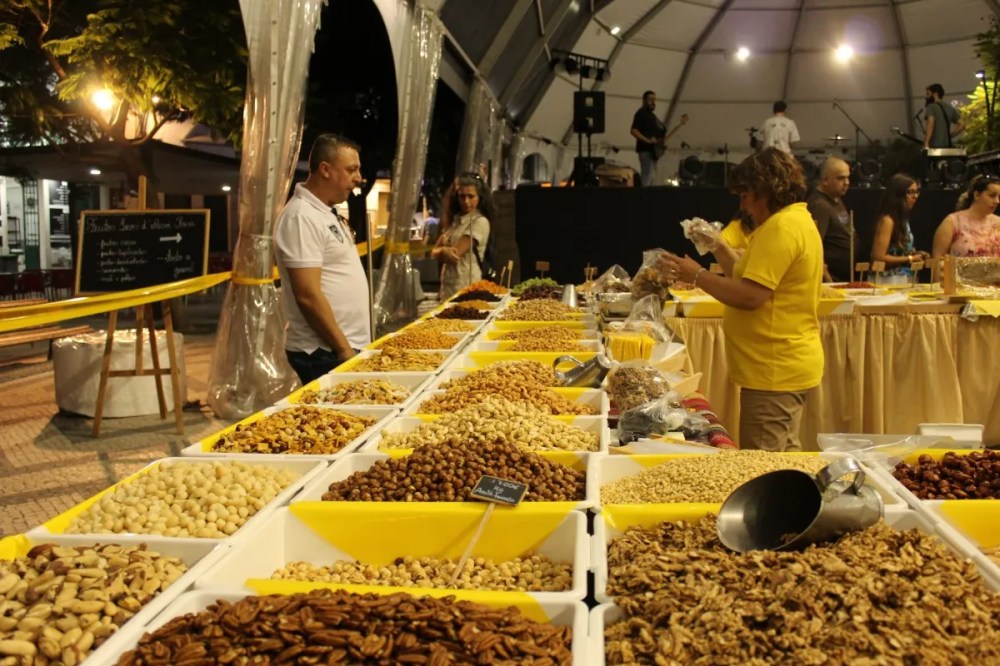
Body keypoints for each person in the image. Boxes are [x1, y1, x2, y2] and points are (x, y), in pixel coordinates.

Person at [661, 148, 823, 452]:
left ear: (765, 189)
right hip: (783, 367)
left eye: (745, 195)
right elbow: (746, 274)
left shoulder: (781, 227)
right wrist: (718, 247)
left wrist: (696, 275)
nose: (743, 205)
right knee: (784, 461)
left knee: (765, 469)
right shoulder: (795, 220)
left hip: (773, 371)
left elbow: (751, 296)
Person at [274, 133, 370, 384]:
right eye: (351, 170)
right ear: (325, 169)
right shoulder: (301, 217)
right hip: (323, 352)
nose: (358, 178)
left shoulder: (326, 212)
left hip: (342, 347)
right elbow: (307, 294)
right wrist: (343, 350)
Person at [431, 174, 494, 299]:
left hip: (467, 288)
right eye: (462, 196)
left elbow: (454, 254)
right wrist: (442, 251)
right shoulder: (454, 222)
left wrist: (442, 251)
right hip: (447, 288)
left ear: (480, 198)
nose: (466, 202)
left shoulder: (480, 222)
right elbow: (433, 252)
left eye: (471, 196)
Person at [871, 174, 930, 276]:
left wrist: (916, 254)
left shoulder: (903, 219)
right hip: (888, 281)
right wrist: (910, 259)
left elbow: (898, 252)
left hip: (904, 278)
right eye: (911, 192)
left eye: (917, 192)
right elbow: (878, 256)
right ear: (898, 195)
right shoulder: (888, 220)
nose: (915, 196)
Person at [806, 157, 855, 282]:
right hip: (832, 278)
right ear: (825, 180)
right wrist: (826, 277)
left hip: (845, 276)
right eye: (841, 178)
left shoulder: (835, 198)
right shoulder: (819, 205)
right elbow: (815, 244)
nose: (847, 182)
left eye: (848, 177)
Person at [932, 175, 1000, 258]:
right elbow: (938, 260)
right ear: (977, 195)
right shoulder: (952, 222)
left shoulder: (998, 223)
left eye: (999, 197)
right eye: (992, 196)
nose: (997, 201)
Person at [631, 91, 667, 187]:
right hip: (646, 151)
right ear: (644, 100)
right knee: (647, 177)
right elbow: (634, 130)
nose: (653, 102)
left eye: (654, 100)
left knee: (652, 178)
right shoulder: (641, 114)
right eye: (650, 99)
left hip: (653, 152)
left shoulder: (652, 116)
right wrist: (648, 140)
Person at [923, 84, 965, 149]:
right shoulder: (949, 108)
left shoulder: (931, 107)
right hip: (947, 145)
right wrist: (950, 136)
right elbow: (962, 124)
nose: (926, 97)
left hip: (935, 146)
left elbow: (930, 124)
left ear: (935, 94)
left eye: (928, 94)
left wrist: (926, 142)